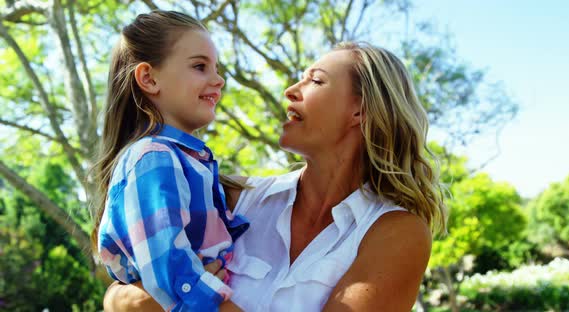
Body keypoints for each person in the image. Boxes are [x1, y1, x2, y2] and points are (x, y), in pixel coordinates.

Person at [103, 41, 448, 311]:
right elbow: (126, 287)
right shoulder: (236, 200)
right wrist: (126, 301)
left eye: (315, 80)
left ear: (360, 110)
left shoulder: (396, 232)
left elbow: (156, 297)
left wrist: (177, 302)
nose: (290, 90)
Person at [92, 10, 249, 312]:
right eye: (200, 66)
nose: (219, 80)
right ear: (149, 78)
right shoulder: (153, 158)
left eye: (216, 68)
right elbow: (173, 278)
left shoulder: (184, 161)